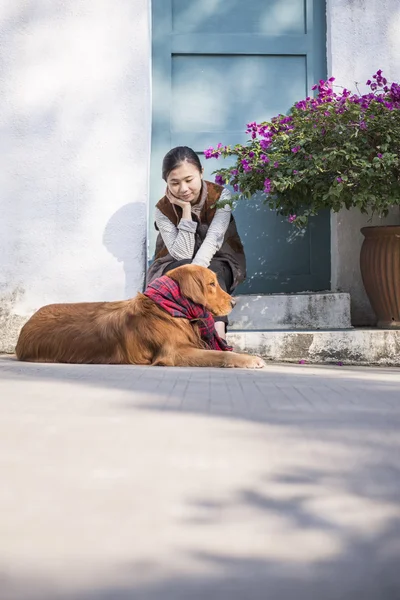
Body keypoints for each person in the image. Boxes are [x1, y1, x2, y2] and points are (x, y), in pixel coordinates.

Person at [147, 146, 246, 339]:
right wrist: (185, 211)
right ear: (166, 182)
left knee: (214, 269)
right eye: (174, 183)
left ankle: (218, 336)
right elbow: (182, 255)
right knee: (182, 269)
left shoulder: (220, 196)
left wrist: (198, 275)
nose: (183, 189)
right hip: (173, 263)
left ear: (201, 172)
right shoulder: (162, 210)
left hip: (218, 259)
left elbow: (213, 240)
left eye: (189, 180)